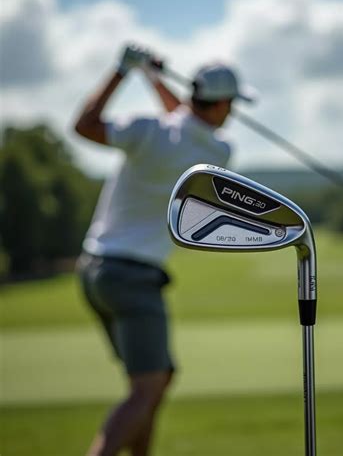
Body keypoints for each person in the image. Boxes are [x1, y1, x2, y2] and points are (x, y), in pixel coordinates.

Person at [74, 45, 254, 456]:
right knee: (147, 389)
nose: (232, 113)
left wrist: (125, 71)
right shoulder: (218, 153)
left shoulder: (147, 130)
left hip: (95, 270)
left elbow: (85, 126)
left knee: (154, 381)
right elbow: (187, 123)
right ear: (220, 104)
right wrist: (153, 78)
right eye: (231, 105)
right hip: (134, 279)